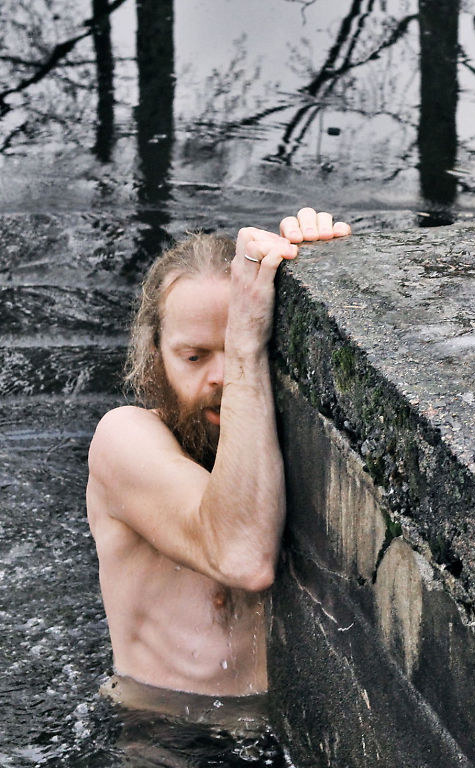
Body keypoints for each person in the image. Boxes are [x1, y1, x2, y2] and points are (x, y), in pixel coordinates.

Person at [86, 208, 351, 707]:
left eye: (235, 346)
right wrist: (245, 343)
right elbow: (242, 559)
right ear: (154, 357)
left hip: (277, 730)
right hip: (160, 726)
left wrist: (320, 260)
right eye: (195, 356)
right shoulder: (122, 440)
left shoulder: (279, 446)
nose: (221, 377)